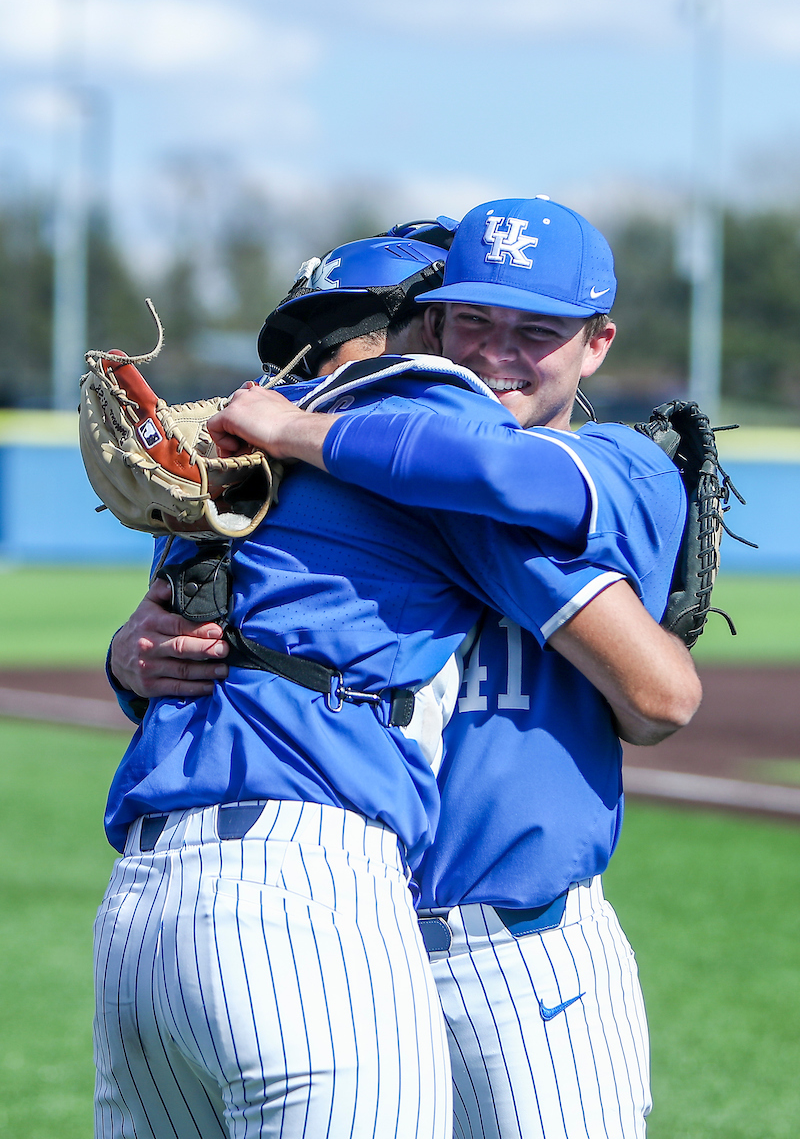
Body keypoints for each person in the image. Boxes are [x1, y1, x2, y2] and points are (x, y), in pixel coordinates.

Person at [110, 199, 701, 1138]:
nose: (499, 353)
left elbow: (663, 695)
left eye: (537, 333)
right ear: (434, 327)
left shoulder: (608, 464)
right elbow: (209, 667)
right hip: (348, 926)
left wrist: (307, 435)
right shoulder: (342, 482)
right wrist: (133, 655)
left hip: (516, 952)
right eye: (473, 322)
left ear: (596, 346)